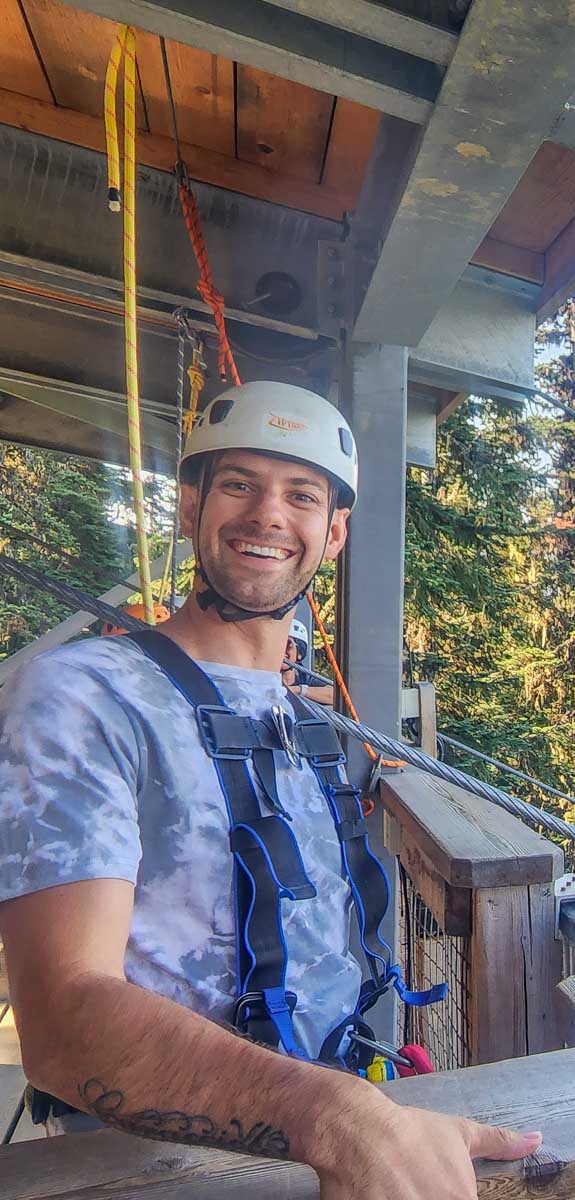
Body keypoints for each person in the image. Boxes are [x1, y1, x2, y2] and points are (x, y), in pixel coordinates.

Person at [0, 382, 539, 1195]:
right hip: (154, 1159)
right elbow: (65, 1019)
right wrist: (339, 1117)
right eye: (239, 484)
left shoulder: (302, 717)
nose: (268, 516)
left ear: (335, 532)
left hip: (325, 1129)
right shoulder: (84, 694)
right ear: (190, 507)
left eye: (301, 495)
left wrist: (356, 1115)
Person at [281, 616, 335, 706]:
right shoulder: (264, 674)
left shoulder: (306, 677)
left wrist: (299, 690)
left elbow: (334, 695)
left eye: (288, 644)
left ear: (300, 654)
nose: (281, 650)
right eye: (278, 644)